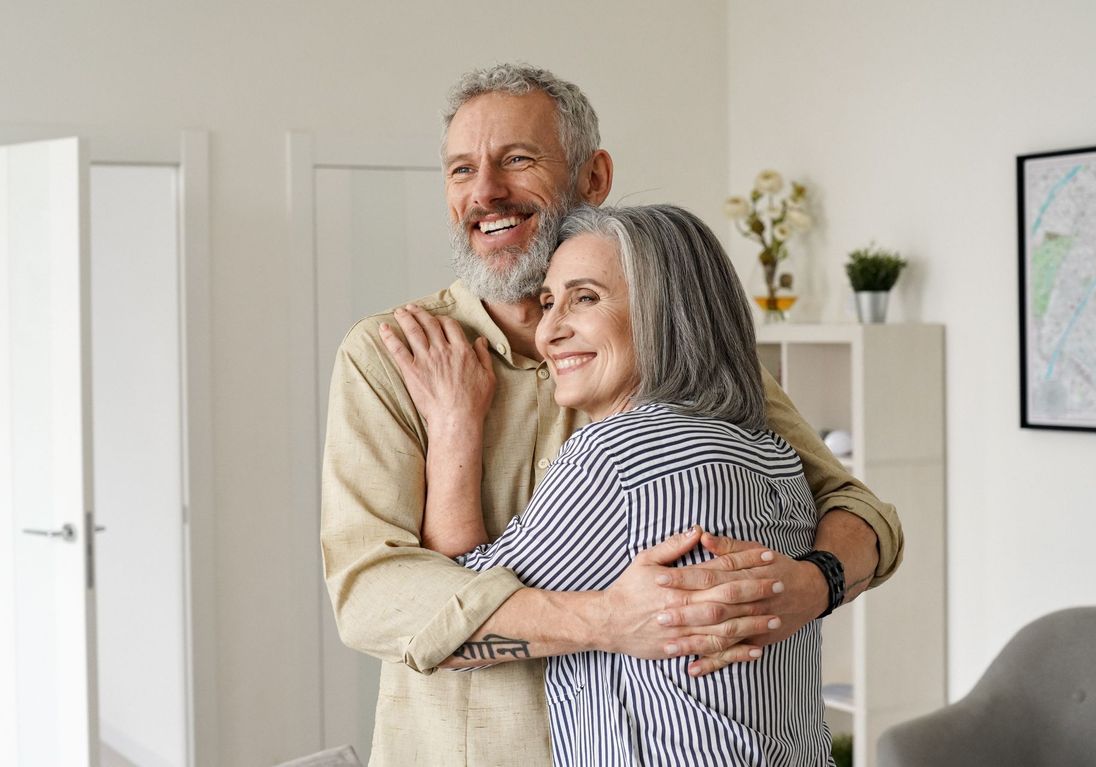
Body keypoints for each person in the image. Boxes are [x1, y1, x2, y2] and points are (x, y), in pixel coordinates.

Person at [321, 63, 902, 766]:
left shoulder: (682, 359)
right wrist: (607, 620)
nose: (485, 192)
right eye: (460, 170)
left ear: (593, 178)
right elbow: (372, 594)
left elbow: (859, 511)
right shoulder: (390, 358)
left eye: (517, 159)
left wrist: (811, 585)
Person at [390, 204, 834, 766]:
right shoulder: (775, 456)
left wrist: (455, 423)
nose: (549, 331)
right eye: (548, 301)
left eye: (586, 298)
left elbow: (454, 620)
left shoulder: (618, 455)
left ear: (666, 314)